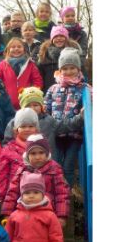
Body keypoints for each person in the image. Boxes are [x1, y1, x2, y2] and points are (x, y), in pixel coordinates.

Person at [1, 134, 69, 227]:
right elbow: (12, 192)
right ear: (27, 155)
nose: (37, 157)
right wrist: (7, 213)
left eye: (41, 153)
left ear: (47, 153)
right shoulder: (22, 169)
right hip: (25, 213)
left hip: (47, 213)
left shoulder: (54, 169)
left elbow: (61, 193)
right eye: (33, 153)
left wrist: (61, 215)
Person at [44, 48, 89, 187]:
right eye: (65, 68)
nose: (68, 71)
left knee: (68, 166)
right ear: (60, 69)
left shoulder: (84, 88)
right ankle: (56, 192)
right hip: (56, 134)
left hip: (74, 135)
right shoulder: (53, 88)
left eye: (72, 68)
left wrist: (85, 112)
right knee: (55, 164)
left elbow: (90, 105)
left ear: (78, 69)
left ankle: (67, 196)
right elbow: (47, 108)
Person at [0, 37, 43, 110]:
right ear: (8, 50)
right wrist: (1, 94)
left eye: (19, 46)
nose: (16, 49)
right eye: (13, 47)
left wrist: (33, 95)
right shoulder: (2, 65)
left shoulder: (30, 64)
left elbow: (37, 81)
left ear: (24, 49)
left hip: (27, 104)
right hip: (8, 104)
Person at [36, 26, 83, 92]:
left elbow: (81, 71)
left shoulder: (74, 53)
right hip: (49, 91)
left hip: (72, 91)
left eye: (61, 36)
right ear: (52, 39)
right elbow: (39, 75)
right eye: (56, 37)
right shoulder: (45, 54)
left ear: (66, 38)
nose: (59, 39)